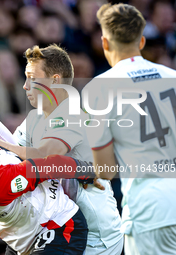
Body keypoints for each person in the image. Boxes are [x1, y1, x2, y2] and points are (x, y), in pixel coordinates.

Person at [0, 44, 123, 254]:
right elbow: (14, 160)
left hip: (96, 236)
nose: (25, 86)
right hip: (56, 225)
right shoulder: (33, 119)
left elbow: (43, 156)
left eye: (32, 78)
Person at [82, 3, 176, 255]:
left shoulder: (99, 88)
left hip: (149, 210)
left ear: (104, 42)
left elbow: (105, 170)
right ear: (142, 41)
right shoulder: (172, 77)